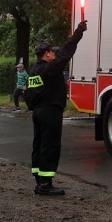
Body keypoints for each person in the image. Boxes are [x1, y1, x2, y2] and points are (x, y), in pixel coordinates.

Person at [25, 20, 87, 196]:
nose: (55, 54)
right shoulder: (49, 70)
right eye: (52, 52)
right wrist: (78, 33)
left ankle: (39, 180)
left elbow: (28, 95)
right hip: (50, 111)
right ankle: (46, 184)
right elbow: (66, 54)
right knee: (50, 146)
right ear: (46, 54)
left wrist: (35, 108)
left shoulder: (34, 71)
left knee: (39, 144)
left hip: (38, 112)